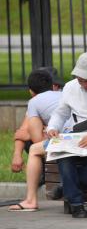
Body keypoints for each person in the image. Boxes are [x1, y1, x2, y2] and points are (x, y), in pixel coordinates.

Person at [10, 52, 87, 218]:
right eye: (80, 80)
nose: (84, 84)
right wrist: (52, 127)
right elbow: (60, 113)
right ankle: (77, 204)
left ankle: (68, 188)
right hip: (77, 137)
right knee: (63, 154)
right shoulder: (71, 87)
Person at [8, 69, 69, 212]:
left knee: (35, 150)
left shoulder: (34, 102)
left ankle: (31, 200)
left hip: (65, 141)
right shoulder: (64, 94)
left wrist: (30, 135)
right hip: (82, 137)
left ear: (31, 91)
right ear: (52, 85)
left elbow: (37, 139)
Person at [11, 67, 64, 174]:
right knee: (28, 142)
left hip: (65, 139)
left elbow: (34, 137)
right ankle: (44, 172)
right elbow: (22, 131)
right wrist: (17, 156)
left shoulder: (64, 97)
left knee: (33, 142)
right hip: (51, 140)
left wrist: (31, 135)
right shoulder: (36, 102)